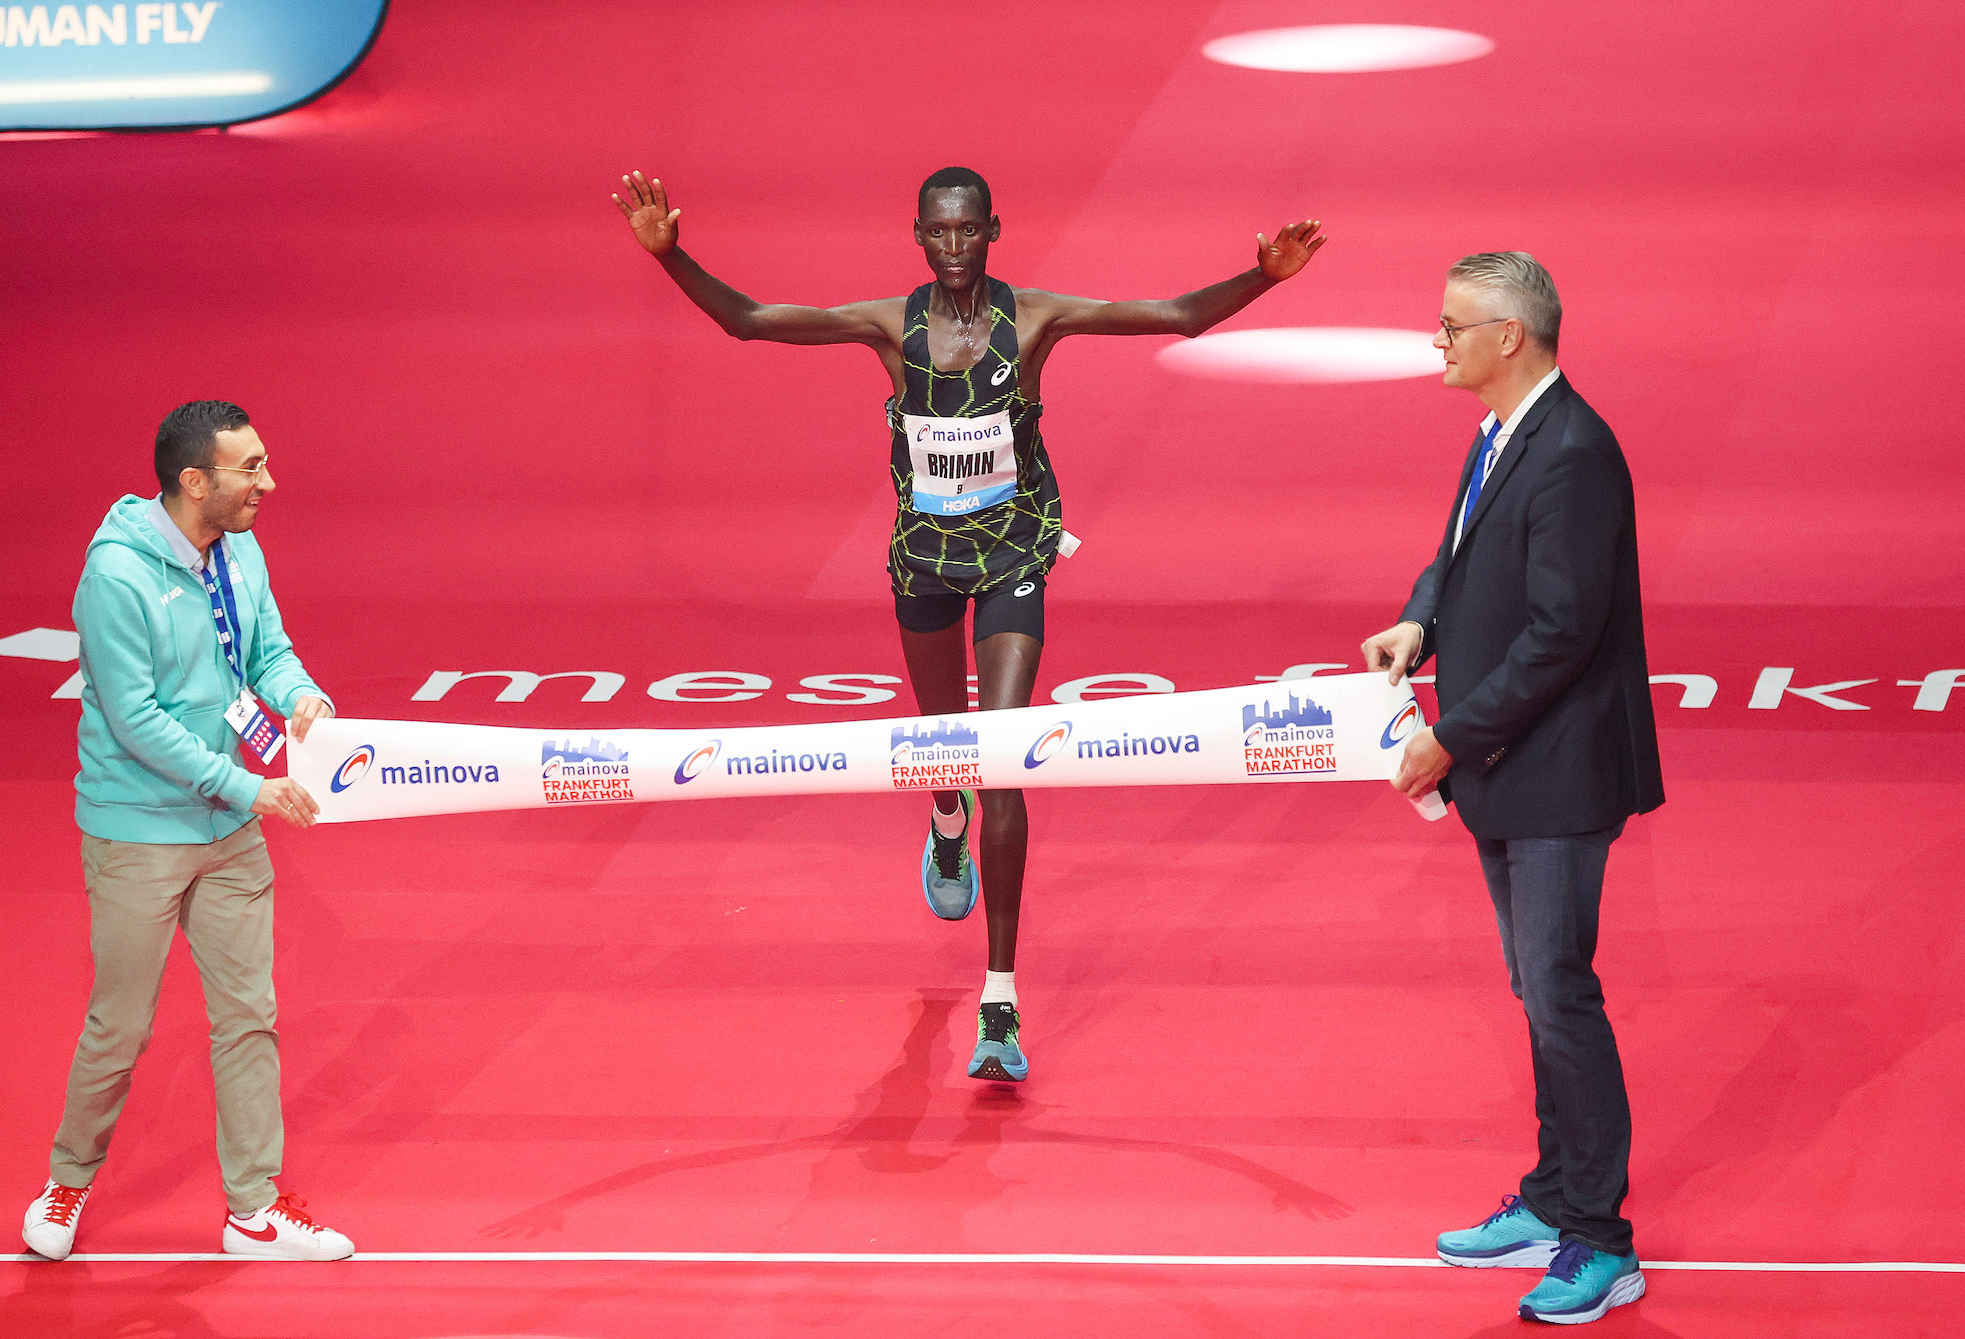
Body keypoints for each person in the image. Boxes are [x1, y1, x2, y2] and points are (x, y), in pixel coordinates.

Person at [614, 167, 1328, 1082]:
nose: (954, 249)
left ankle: (1000, 1000)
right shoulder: (887, 324)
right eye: (938, 234)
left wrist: (1262, 276)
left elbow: (1177, 315)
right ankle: (941, 814)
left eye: (969, 233)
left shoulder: (1033, 318)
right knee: (944, 738)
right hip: (923, 556)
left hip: (1014, 554)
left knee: (1002, 752)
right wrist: (674, 258)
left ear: (994, 230)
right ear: (918, 234)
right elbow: (749, 321)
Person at [1361, 253, 1663, 1324]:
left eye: (1449, 325)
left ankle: (1599, 1238)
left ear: (1509, 338)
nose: (1434, 340)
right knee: (1536, 993)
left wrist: (1448, 737)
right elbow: (1457, 553)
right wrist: (1420, 618)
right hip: (1506, 763)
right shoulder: (1500, 432)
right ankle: (1548, 1198)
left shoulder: (1574, 452)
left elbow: (1560, 636)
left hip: (1558, 770)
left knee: (1560, 994)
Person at [21, 401, 353, 1262]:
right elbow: (135, 720)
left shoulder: (239, 549)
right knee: (120, 1026)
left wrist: (302, 695)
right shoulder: (116, 578)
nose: (267, 483)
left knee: (249, 1016)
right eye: (251, 468)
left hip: (230, 825)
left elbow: (266, 652)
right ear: (193, 480)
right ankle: (67, 1179)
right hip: (140, 832)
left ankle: (253, 1208)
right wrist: (249, 786)